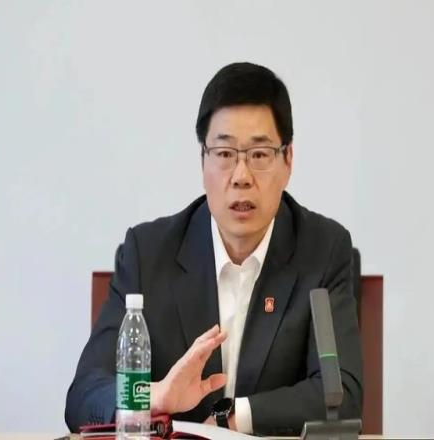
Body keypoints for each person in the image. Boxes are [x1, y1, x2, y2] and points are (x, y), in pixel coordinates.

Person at [65, 62, 363, 436]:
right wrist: (154, 396)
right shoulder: (148, 253)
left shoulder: (324, 250)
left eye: (259, 154)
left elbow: (341, 395)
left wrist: (233, 416)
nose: (241, 177)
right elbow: (84, 396)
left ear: (288, 160)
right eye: (224, 153)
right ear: (203, 160)